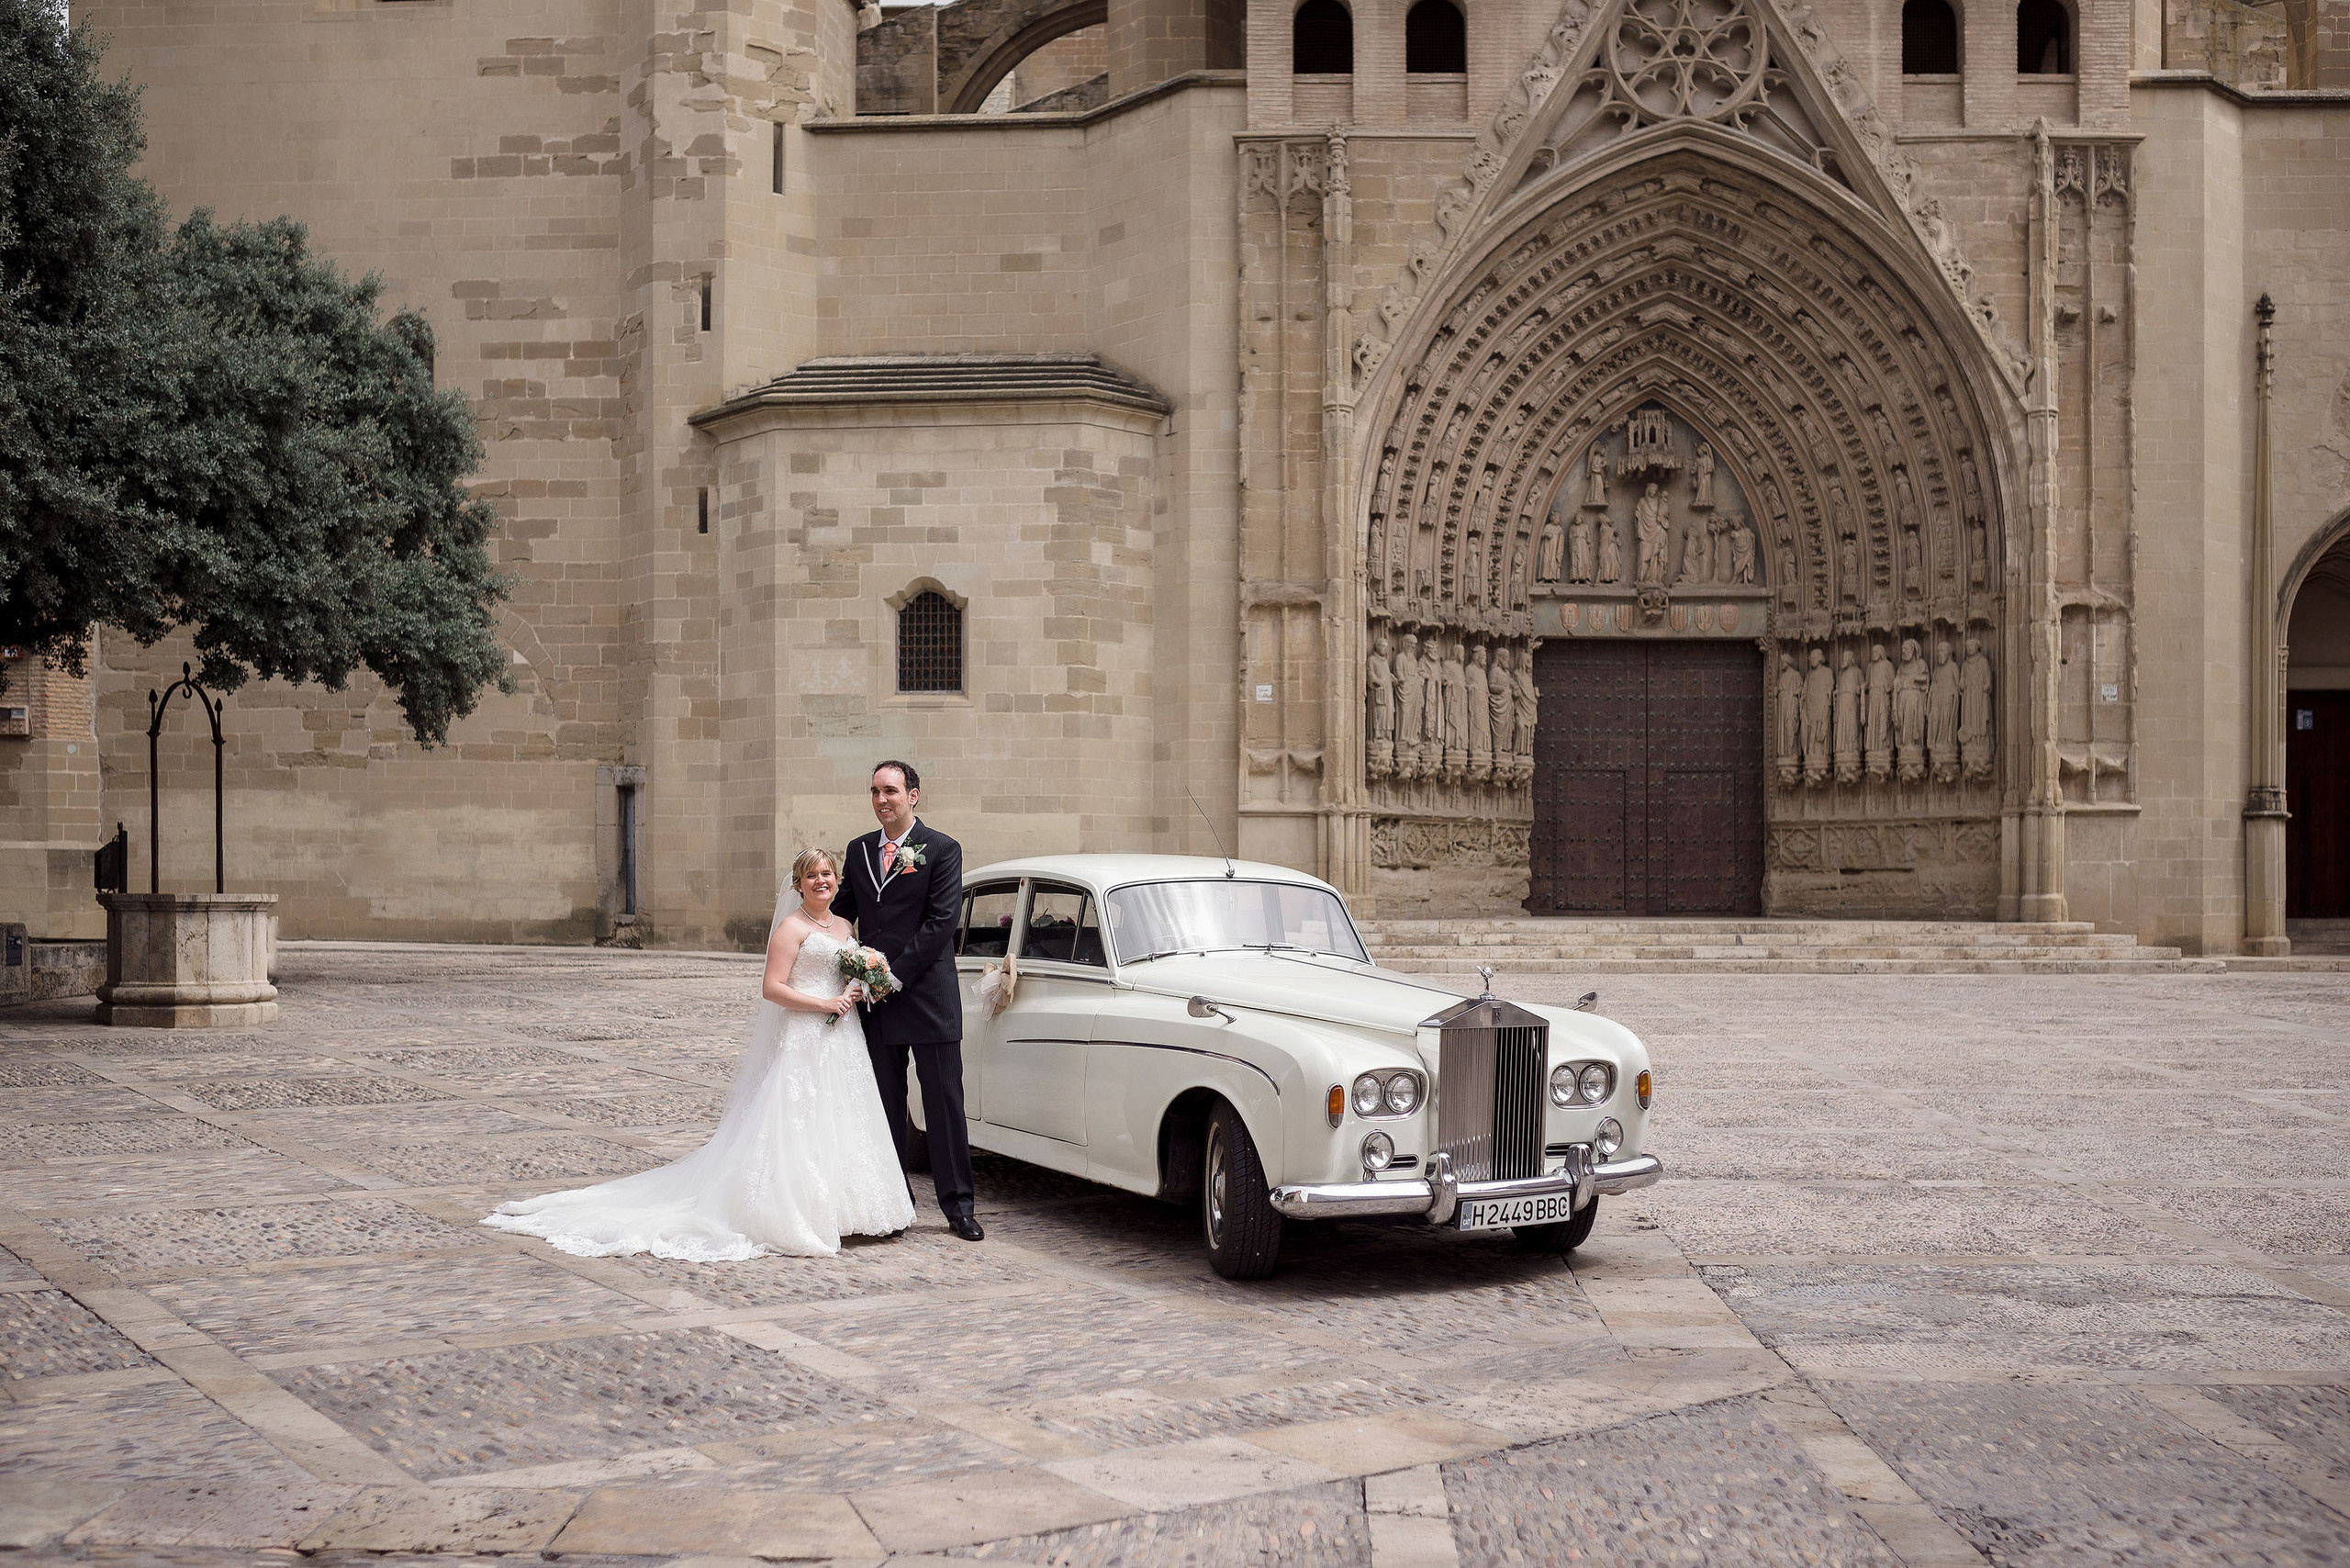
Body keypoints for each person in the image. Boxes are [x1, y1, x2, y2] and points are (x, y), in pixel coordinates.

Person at [480, 848, 914, 1259]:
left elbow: (844, 972)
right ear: (798, 884)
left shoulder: (844, 928)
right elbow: (772, 988)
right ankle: (795, 1211)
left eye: (827, 874)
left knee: (842, 1114)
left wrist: (857, 987)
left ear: (837, 881)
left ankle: (846, 1211)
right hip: (804, 1032)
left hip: (843, 1037)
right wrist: (823, 1004)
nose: (821, 881)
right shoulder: (790, 928)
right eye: (812, 876)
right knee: (796, 1118)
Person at [834, 761, 983, 1241]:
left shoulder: (942, 850)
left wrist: (890, 976)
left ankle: (958, 1207)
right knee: (885, 1106)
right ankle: (892, 1202)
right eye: (875, 791)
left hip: (927, 998)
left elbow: (941, 924)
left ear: (913, 795)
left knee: (943, 1105)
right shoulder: (858, 850)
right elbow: (842, 913)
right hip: (875, 1005)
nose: (882, 800)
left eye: (892, 791)